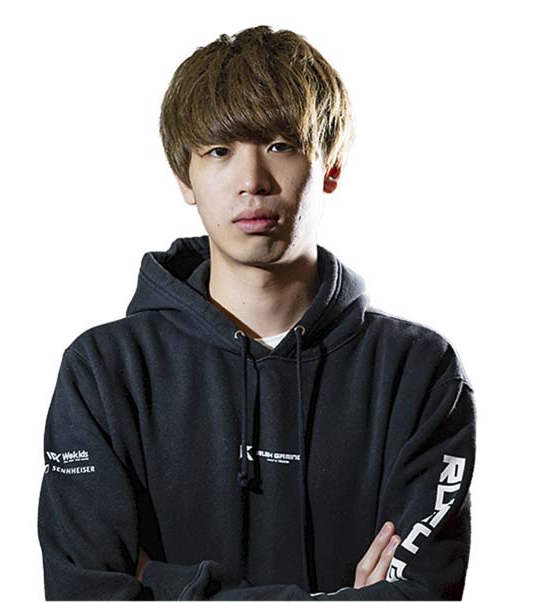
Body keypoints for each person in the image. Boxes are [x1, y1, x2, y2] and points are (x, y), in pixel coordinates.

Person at [37, 25, 476, 600]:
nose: (252, 182)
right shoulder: (104, 371)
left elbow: (420, 595)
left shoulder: (418, 372)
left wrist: (162, 583)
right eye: (219, 151)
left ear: (331, 165)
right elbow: (85, 592)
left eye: (280, 145)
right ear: (184, 177)